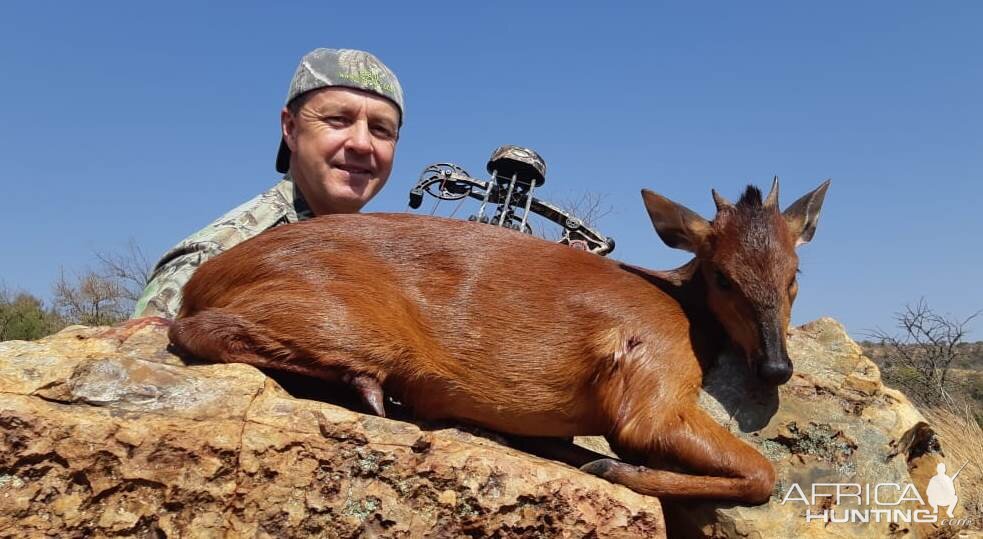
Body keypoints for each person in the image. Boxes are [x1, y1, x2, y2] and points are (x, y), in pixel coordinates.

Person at [132, 48, 404, 319]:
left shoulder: (385, 264)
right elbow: (136, 352)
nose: (361, 143)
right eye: (337, 120)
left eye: (381, 129)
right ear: (291, 128)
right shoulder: (217, 258)